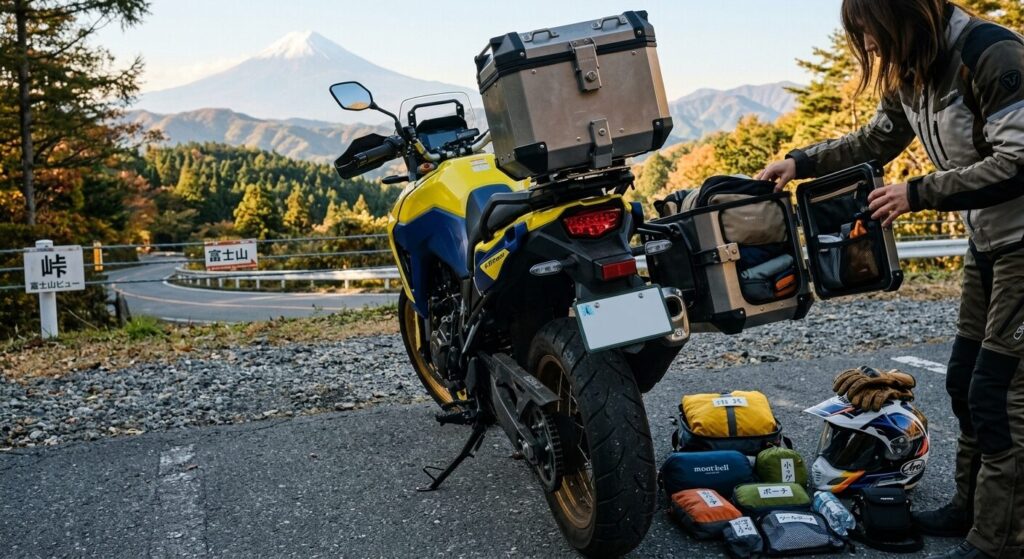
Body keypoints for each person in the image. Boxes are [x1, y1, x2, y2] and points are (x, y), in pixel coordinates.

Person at [757, 1, 1024, 558]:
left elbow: (1018, 160)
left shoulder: (989, 53)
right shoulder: (914, 70)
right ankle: (970, 508)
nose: (870, 48)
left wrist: (917, 193)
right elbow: (874, 141)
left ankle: (1000, 540)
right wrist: (799, 162)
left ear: (904, 16)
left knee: (999, 392)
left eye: (871, 35)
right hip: (988, 242)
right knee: (963, 380)